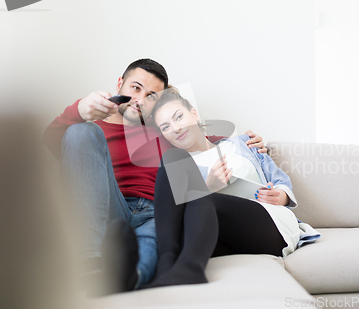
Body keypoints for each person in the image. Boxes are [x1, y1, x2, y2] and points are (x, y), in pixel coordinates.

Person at [42, 59, 266, 294]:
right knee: (80, 131)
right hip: (108, 207)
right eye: (135, 88)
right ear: (120, 84)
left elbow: (204, 143)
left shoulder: (165, 131)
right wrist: (79, 110)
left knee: (151, 244)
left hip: (157, 212)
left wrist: (248, 144)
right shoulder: (94, 131)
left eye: (151, 96)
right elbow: (50, 140)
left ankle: (128, 279)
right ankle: (90, 265)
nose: (140, 100)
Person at [143, 88, 319, 288]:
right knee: (172, 161)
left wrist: (280, 196)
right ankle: (166, 265)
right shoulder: (181, 166)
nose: (175, 128)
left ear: (194, 114)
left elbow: (280, 180)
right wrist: (209, 186)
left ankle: (190, 269)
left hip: (269, 225)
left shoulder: (243, 143)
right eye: (165, 127)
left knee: (201, 197)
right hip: (223, 234)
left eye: (179, 117)